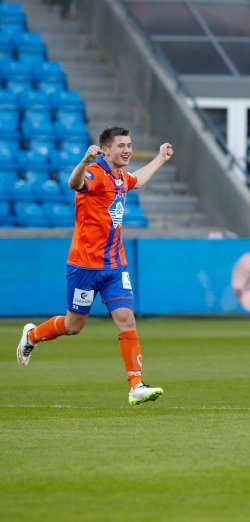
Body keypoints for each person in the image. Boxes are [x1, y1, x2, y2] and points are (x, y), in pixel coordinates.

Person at [15, 126, 173, 406]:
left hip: (115, 266)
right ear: (106, 150)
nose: (127, 150)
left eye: (129, 144)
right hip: (85, 266)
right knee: (73, 326)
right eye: (121, 145)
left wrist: (160, 158)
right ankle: (32, 335)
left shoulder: (122, 177)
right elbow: (74, 184)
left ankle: (136, 384)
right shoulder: (95, 173)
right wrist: (84, 161)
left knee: (126, 319)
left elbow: (140, 179)